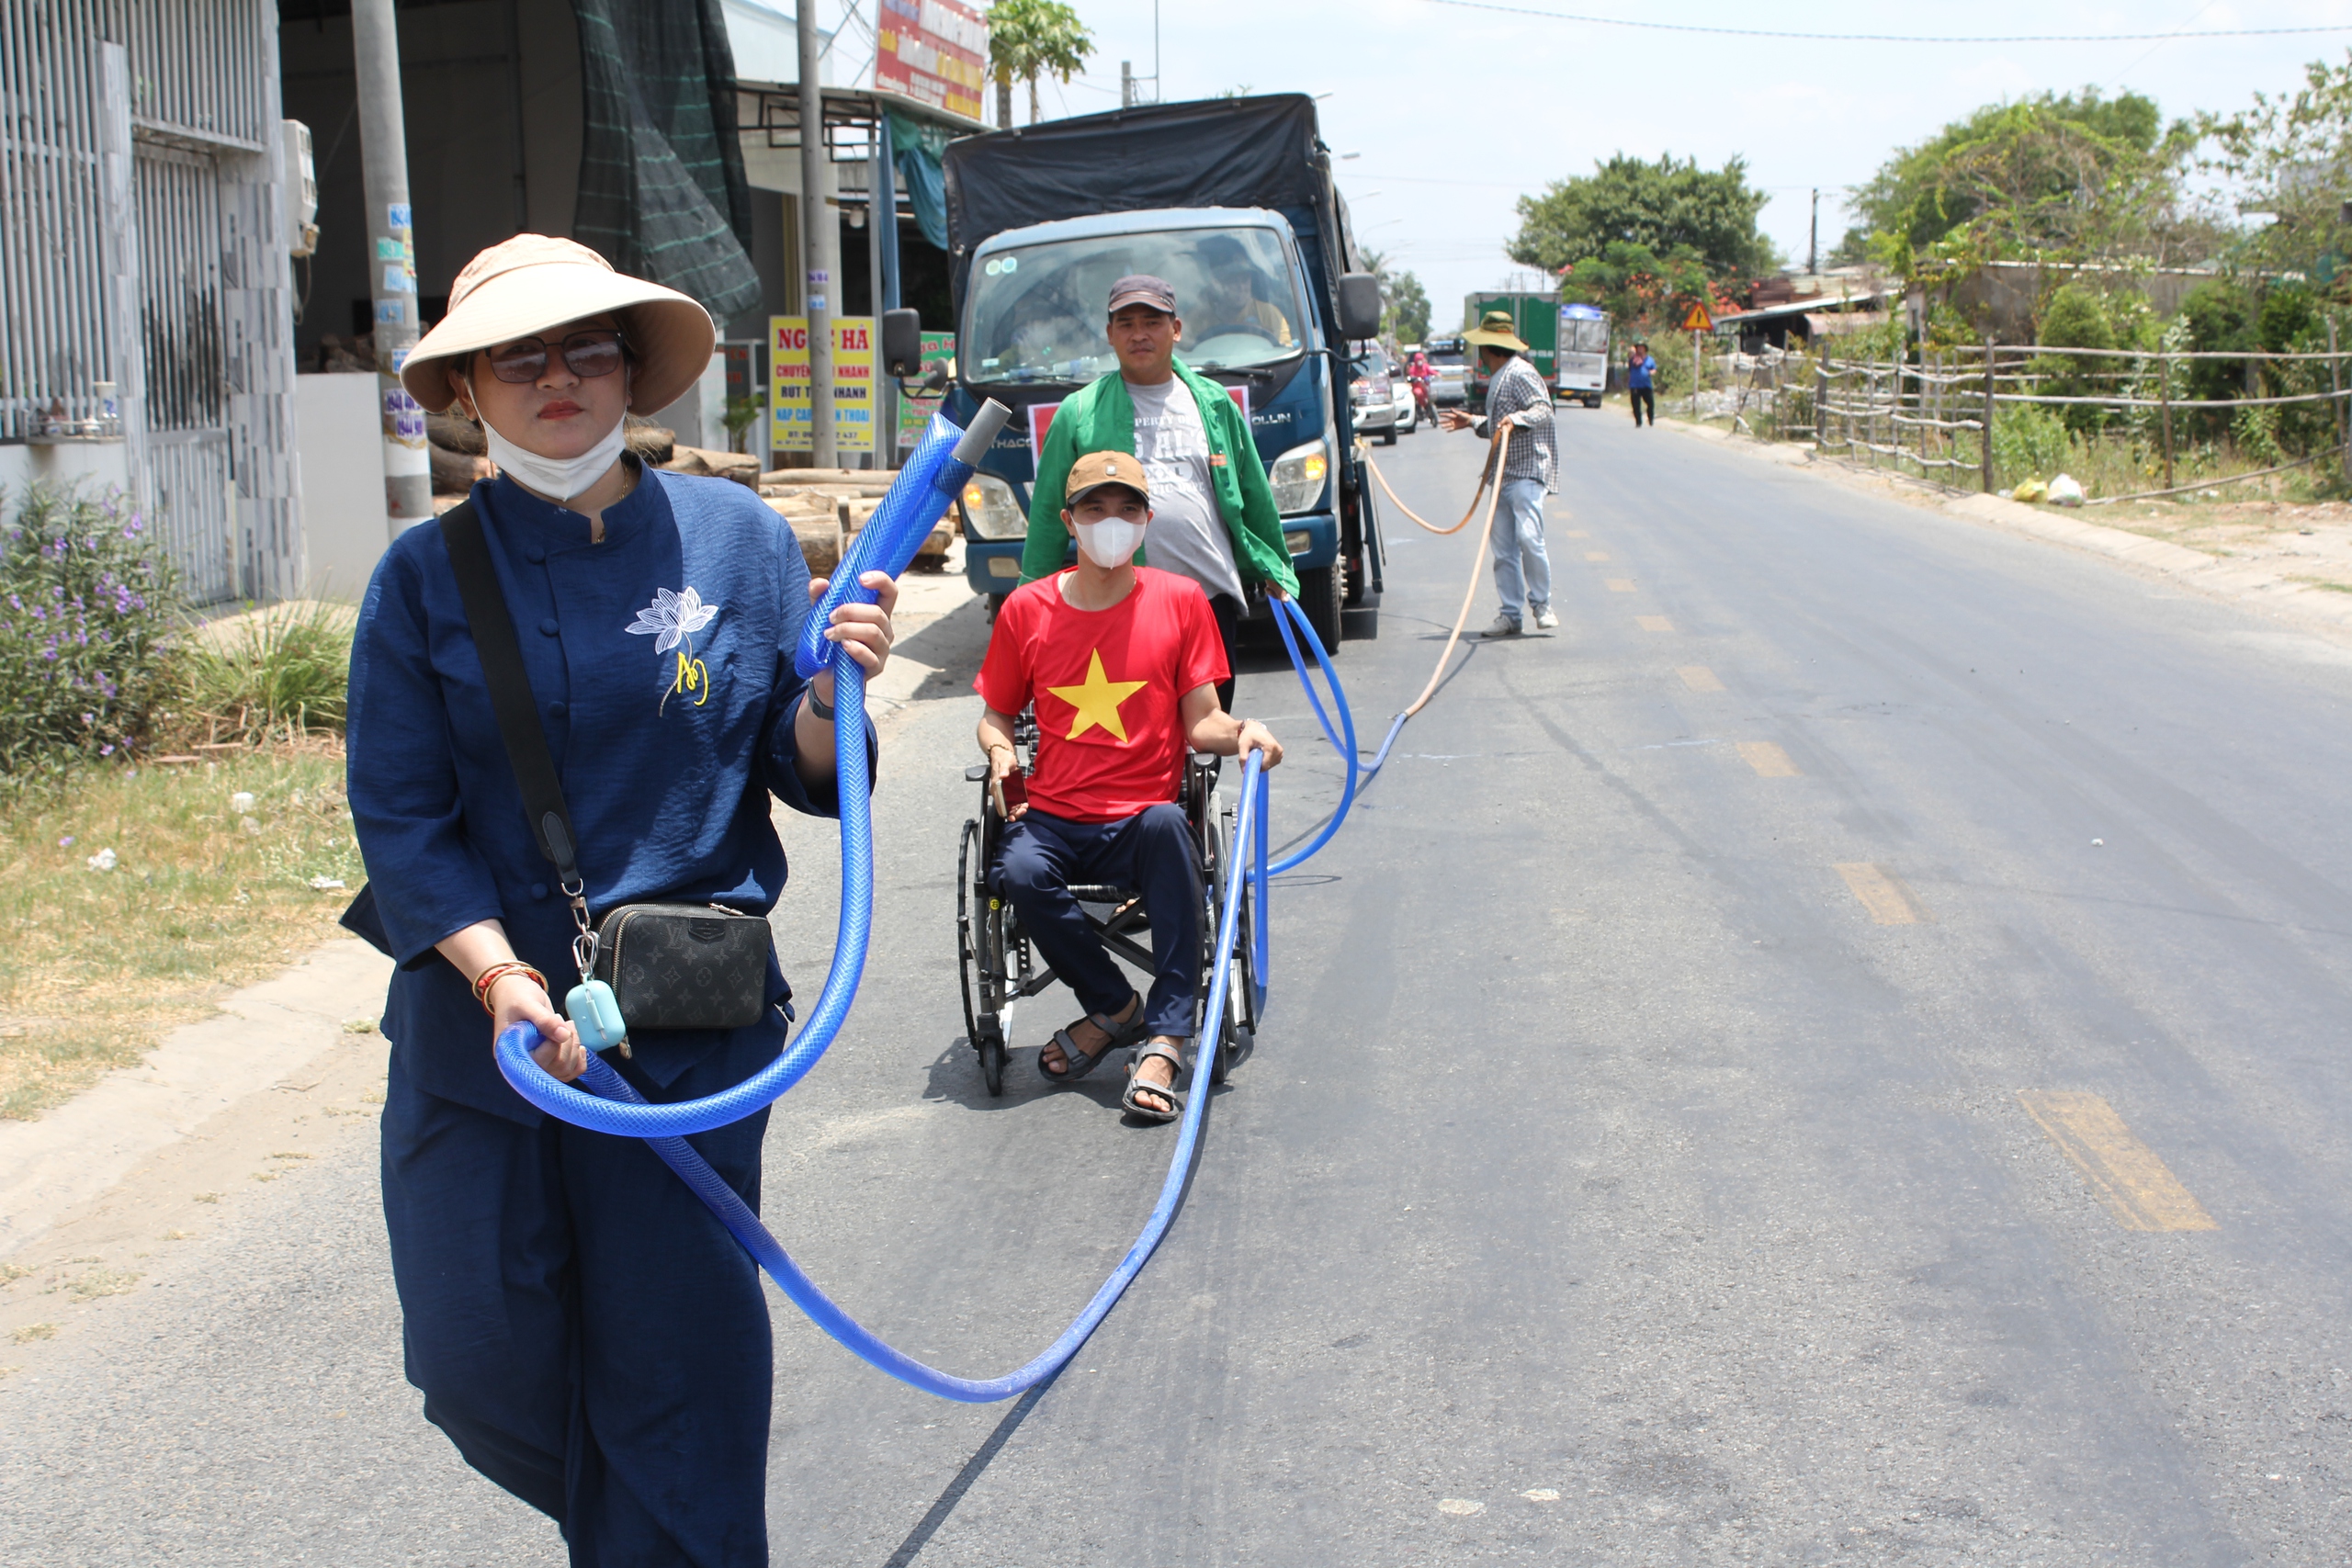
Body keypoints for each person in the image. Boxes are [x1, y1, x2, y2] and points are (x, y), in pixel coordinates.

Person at [345, 234, 898, 1565]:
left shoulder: (742, 541)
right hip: (487, 1041)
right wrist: (501, 979)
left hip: (685, 1043)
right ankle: (636, 1524)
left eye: (586, 348)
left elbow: (805, 772)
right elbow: (403, 821)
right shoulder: (421, 578)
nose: (557, 378)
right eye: (519, 357)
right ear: (469, 389)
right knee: (473, 1354)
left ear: (631, 371)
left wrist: (832, 696)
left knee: (678, 1372)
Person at [979, 452, 1283, 1122]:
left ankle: (1167, 1034)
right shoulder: (1026, 610)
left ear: (1147, 521)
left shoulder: (1182, 603)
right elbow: (997, 712)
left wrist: (1244, 734)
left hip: (1143, 815)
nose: (1110, 523)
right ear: (1069, 521)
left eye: (1126, 510)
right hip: (1054, 816)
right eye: (1094, 509)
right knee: (1018, 869)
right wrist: (1001, 748)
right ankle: (1117, 1006)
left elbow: (1202, 720)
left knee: (1172, 830)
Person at [1021, 274, 1299, 713]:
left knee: (1208, 736)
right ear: (1110, 334)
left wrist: (1276, 570)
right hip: (1121, 605)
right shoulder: (1078, 413)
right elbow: (1046, 518)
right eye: (1126, 323)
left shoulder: (1214, 403)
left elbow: (1253, 496)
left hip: (1209, 600)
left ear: (1176, 329)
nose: (1139, 334)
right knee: (1139, 737)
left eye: (1151, 321)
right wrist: (1030, 608)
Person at [1439, 310, 1558, 637]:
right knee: (1503, 548)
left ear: (1487, 347)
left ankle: (1542, 605)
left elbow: (1543, 410)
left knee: (1529, 538)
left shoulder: (1521, 372)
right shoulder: (1499, 376)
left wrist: (1516, 419)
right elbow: (1496, 428)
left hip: (1526, 471)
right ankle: (1510, 614)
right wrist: (1474, 422)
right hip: (1502, 475)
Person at [1190, 232, 1295, 348]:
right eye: (1233, 280)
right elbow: (1183, 352)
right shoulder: (1199, 319)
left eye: (1245, 280)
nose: (1241, 287)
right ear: (1218, 283)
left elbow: (1286, 351)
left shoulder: (1269, 315)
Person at [1627, 340, 1658, 427]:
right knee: (1636, 405)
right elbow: (1629, 353)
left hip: (1646, 385)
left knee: (1650, 403)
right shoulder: (1633, 358)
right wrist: (1632, 349)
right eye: (1638, 347)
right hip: (1635, 385)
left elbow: (1654, 369)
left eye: (1642, 347)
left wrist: (1651, 372)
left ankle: (1651, 418)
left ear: (1645, 349)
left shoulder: (1650, 359)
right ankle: (1638, 421)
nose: (1640, 349)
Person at [1407, 347, 1434, 427]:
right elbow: (1410, 376)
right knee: (1419, 393)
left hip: (1425, 386)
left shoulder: (1425, 367)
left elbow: (1431, 371)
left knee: (1429, 395)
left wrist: (1437, 374)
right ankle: (1421, 407)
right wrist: (1414, 378)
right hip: (1417, 387)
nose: (1419, 362)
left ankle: (1428, 407)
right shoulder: (1413, 368)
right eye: (1418, 360)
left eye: (1421, 360)